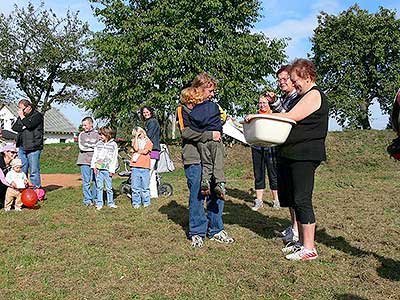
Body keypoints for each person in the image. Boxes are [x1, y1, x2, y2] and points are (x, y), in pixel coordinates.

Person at [272, 59, 328, 260]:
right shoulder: (304, 95)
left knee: (303, 199)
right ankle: (301, 243)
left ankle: (310, 248)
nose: (294, 85)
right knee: (296, 199)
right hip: (294, 153)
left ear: (308, 76)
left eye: (296, 81)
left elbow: (291, 117)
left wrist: (260, 116)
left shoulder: (314, 95)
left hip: (305, 154)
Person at [176, 72, 234, 248]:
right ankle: (197, 232)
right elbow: (185, 132)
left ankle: (216, 229)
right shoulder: (183, 108)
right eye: (209, 90)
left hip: (213, 156)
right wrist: (209, 134)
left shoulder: (211, 107)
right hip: (193, 157)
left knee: (217, 190)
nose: (212, 94)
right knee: (198, 193)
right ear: (198, 89)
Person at [257, 65, 302, 243]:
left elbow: (288, 117)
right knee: (289, 194)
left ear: (293, 79)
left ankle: (298, 231)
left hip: (295, 150)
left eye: (285, 79)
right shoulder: (286, 97)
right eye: (279, 79)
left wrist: (275, 103)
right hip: (284, 149)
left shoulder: (298, 98)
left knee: (296, 195)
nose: (281, 82)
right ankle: (294, 227)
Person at [181, 86, 226, 198]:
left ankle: (205, 181)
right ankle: (220, 183)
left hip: (202, 144)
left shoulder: (194, 113)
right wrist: (213, 132)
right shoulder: (212, 106)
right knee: (217, 163)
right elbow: (186, 132)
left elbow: (192, 128)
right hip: (213, 142)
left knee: (207, 164)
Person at [244, 95, 280, 210]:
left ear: (269, 104)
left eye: (264, 102)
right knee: (258, 174)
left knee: (273, 173)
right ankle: (259, 200)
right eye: (260, 103)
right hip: (257, 147)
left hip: (271, 147)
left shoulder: (274, 115)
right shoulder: (254, 117)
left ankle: (276, 200)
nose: (262, 105)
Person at [11, 99, 44, 188]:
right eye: (19, 109)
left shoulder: (37, 115)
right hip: (22, 146)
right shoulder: (23, 116)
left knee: (34, 170)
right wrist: (23, 126)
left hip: (34, 147)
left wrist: (23, 120)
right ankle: (22, 187)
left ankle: (36, 189)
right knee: (22, 169)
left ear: (29, 107)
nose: (21, 111)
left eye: (22, 109)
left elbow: (30, 125)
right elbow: (14, 127)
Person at [91, 127, 118, 210]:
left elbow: (114, 158)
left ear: (107, 135)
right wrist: (94, 166)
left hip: (107, 169)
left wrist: (112, 170)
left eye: (102, 134)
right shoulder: (98, 144)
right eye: (100, 134)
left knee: (109, 187)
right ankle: (99, 203)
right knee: (99, 187)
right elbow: (95, 156)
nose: (100, 136)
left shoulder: (113, 145)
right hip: (99, 168)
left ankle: (111, 203)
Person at [76, 117, 99, 207]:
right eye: (83, 125)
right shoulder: (81, 134)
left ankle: (96, 198)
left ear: (91, 124)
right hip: (84, 160)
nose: (84, 127)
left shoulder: (97, 134)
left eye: (85, 125)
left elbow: (98, 146)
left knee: (96, 180)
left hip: (96, 160)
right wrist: (93, 147)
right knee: (86, 181)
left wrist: (91, 146)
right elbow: (82, 147)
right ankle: (87, 200)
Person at [129, 127, 153, 208]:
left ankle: (146, 202)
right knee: (135, 187)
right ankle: (136, 203)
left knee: (145, 187)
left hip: (145, 166)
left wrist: (136, 151)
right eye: (137, 134)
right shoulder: (134, 141)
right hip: (135, 166)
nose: (140, 135)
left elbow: (146, 151)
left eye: (140, 133)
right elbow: (135, 148)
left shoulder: (148, 141)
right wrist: (136, 137)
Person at [140, 106, 161, 199]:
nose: (146, 114)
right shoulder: (151, 122)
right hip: (156, 149)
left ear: (151, 112)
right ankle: (153, 194)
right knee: (152, 173)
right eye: (144, 112)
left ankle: (143, 193)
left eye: (147, 112)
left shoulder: (152, 122)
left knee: (147, 171)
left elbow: (148, 136)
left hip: (152, 150)